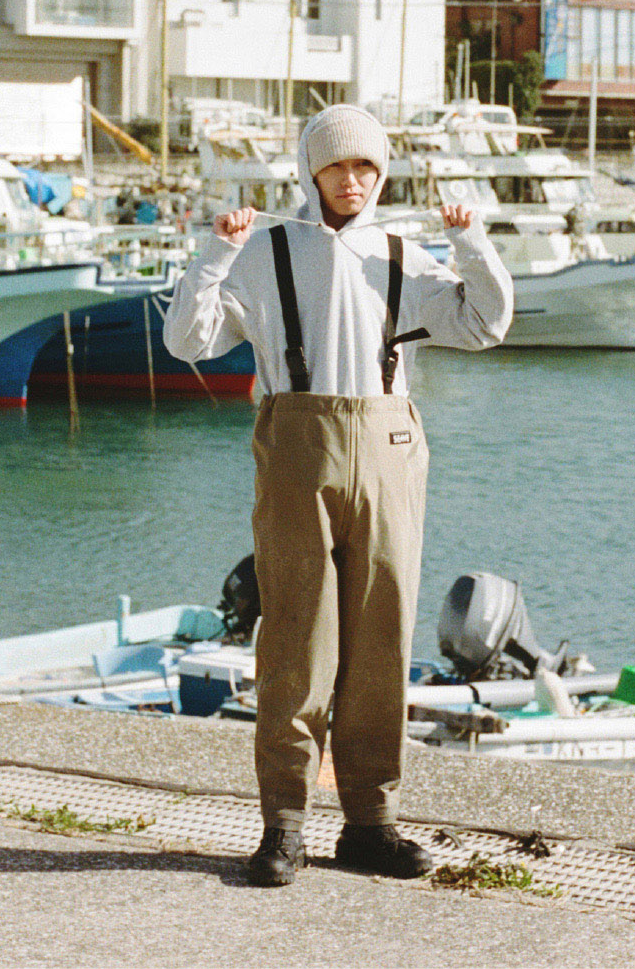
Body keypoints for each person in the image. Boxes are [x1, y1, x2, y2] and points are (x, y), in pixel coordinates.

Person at [163, 104, 513, 887]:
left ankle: (369, 823)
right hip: (298, 446)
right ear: (309, 170)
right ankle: (284, 824)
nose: (351, 180)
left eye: (365, 166)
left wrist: (471, 242)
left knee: (382, 637)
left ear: (380, 173)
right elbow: (187, 340)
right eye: (335, 166)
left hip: (391, 449)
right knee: (295, 636)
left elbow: (487, 322)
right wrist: (215, 254)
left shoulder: (402, 254)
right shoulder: (265, 251)